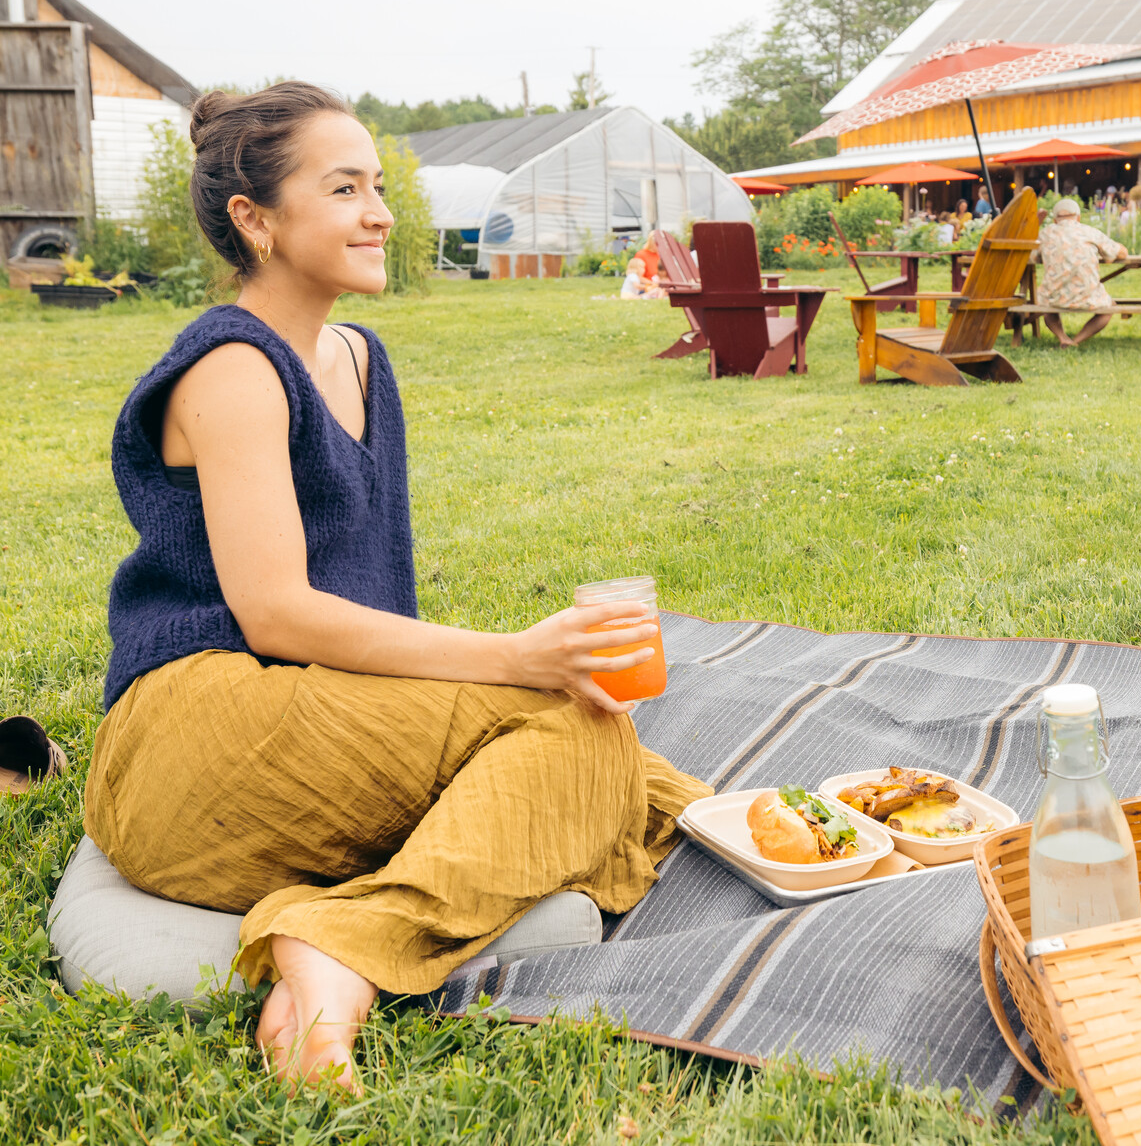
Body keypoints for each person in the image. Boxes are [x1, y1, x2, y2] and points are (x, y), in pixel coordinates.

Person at [83, 82, 709, 1094]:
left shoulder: (359, 356)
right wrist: (510, 657)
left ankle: (751, 818)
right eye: (343, 187)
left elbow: (368, 612)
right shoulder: (233, 369)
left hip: (313, 706)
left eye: (376, 184)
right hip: (196, 733)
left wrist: (536, 685)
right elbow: (276, 611)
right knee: (575, 737)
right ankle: (340, 942)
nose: (380, 211)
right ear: (255, 219)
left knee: (597, 728)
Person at [1035, 197, 1125, 346]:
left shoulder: (1045, 234)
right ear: (1078, 217)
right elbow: (1121, 253)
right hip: (1087, 295)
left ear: (1055, 220)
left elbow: (1030, 254)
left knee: (1047, 307)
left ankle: (1063, 338)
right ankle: (1077, 340)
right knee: (1110, 308)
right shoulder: (1089, 232)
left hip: (1053, 296)